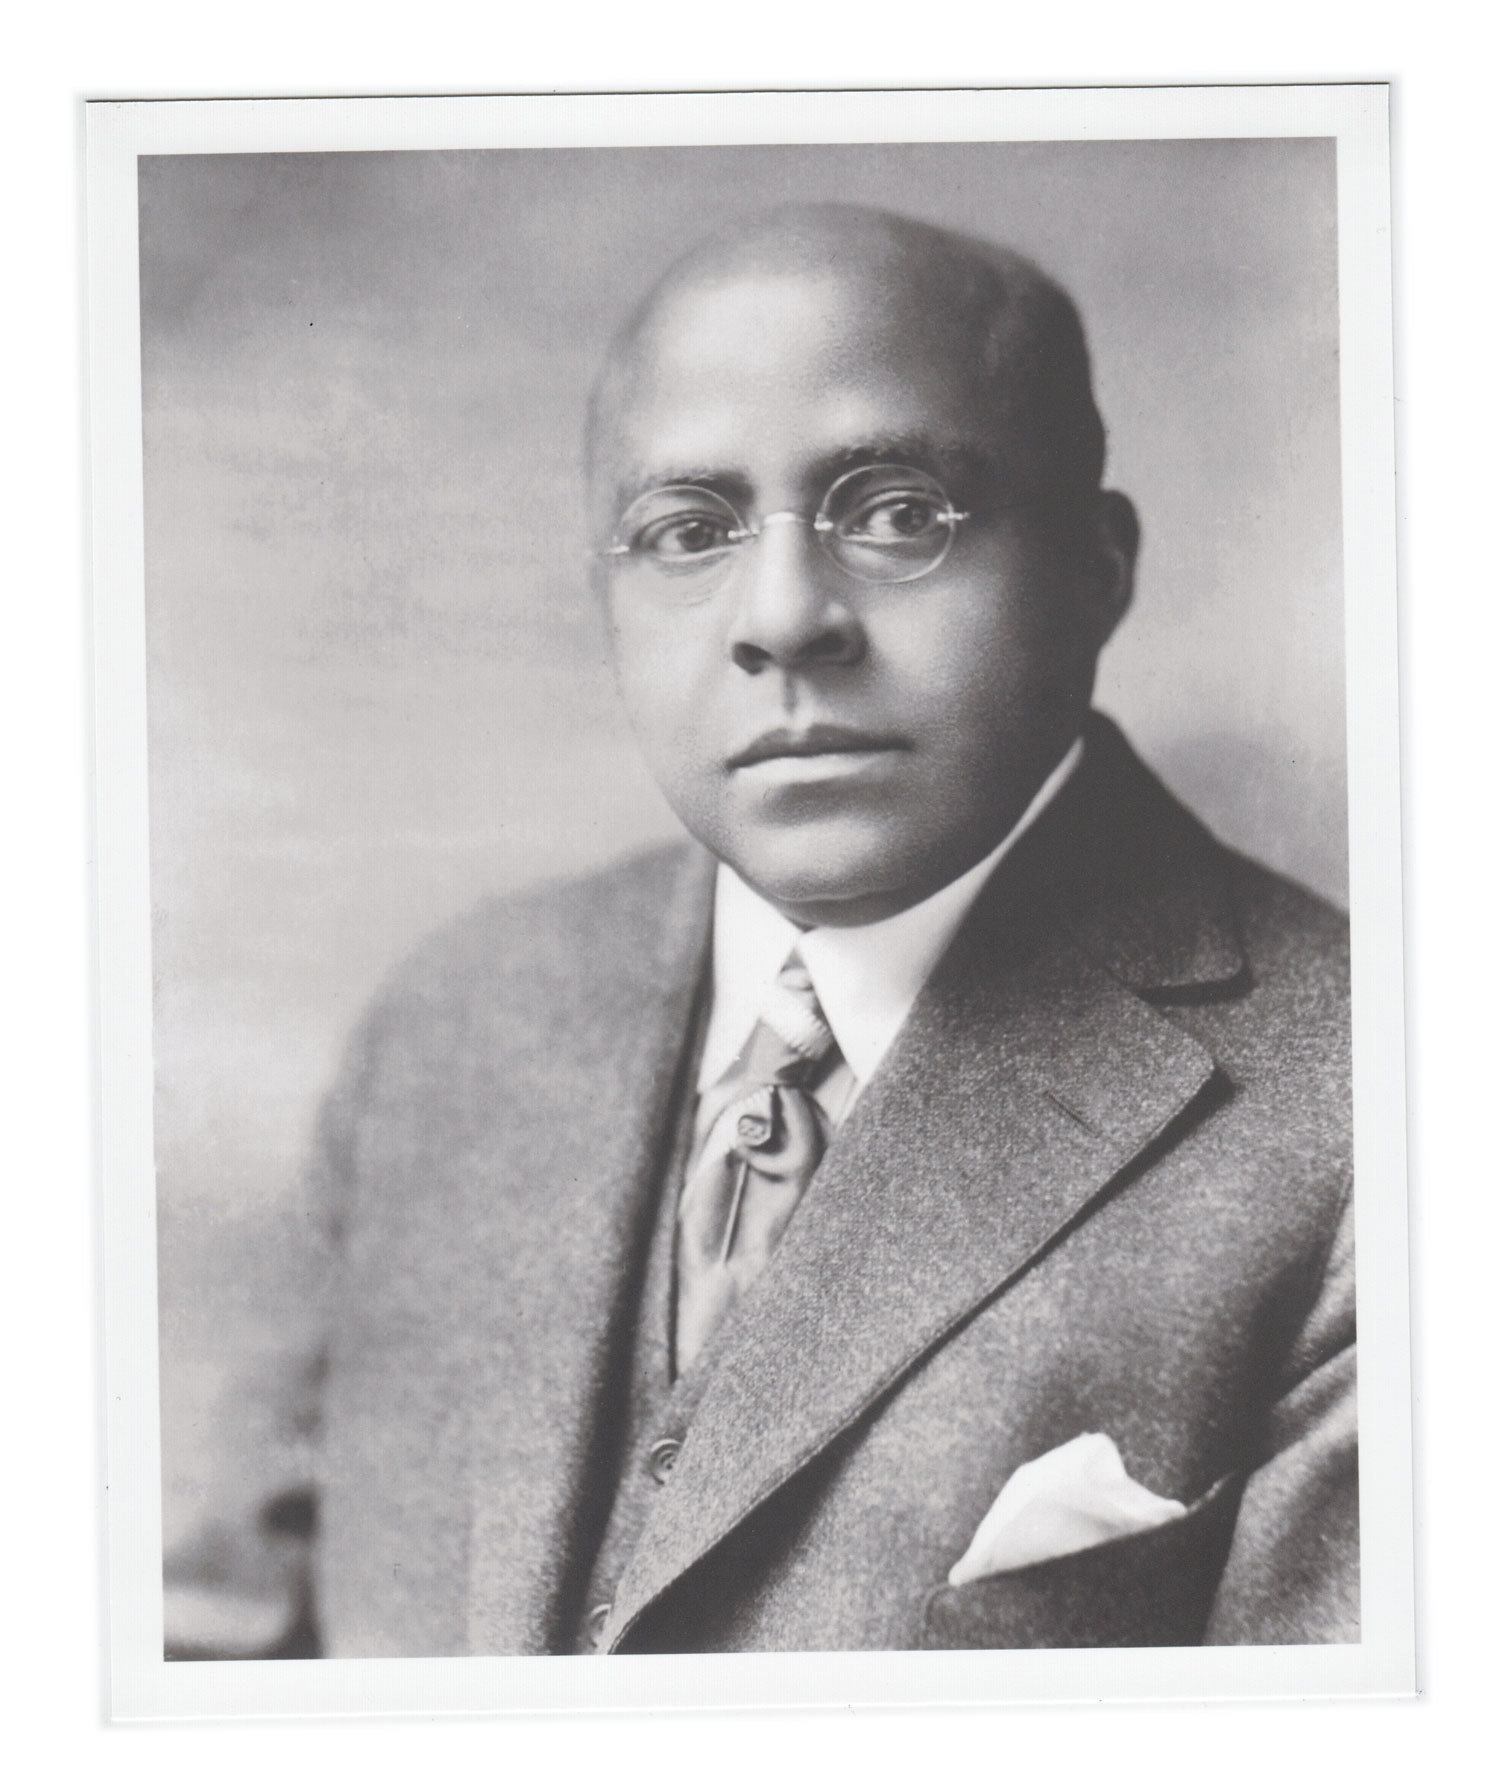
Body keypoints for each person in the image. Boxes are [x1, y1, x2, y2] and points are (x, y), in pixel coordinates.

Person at [164, 202, 1355, 1658]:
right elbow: (217, 1665)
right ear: (608, 599)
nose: (783, 618)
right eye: (688, 532)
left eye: (900, 512)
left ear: (1096, 570)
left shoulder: (1380, 1120)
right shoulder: (452, 1026)